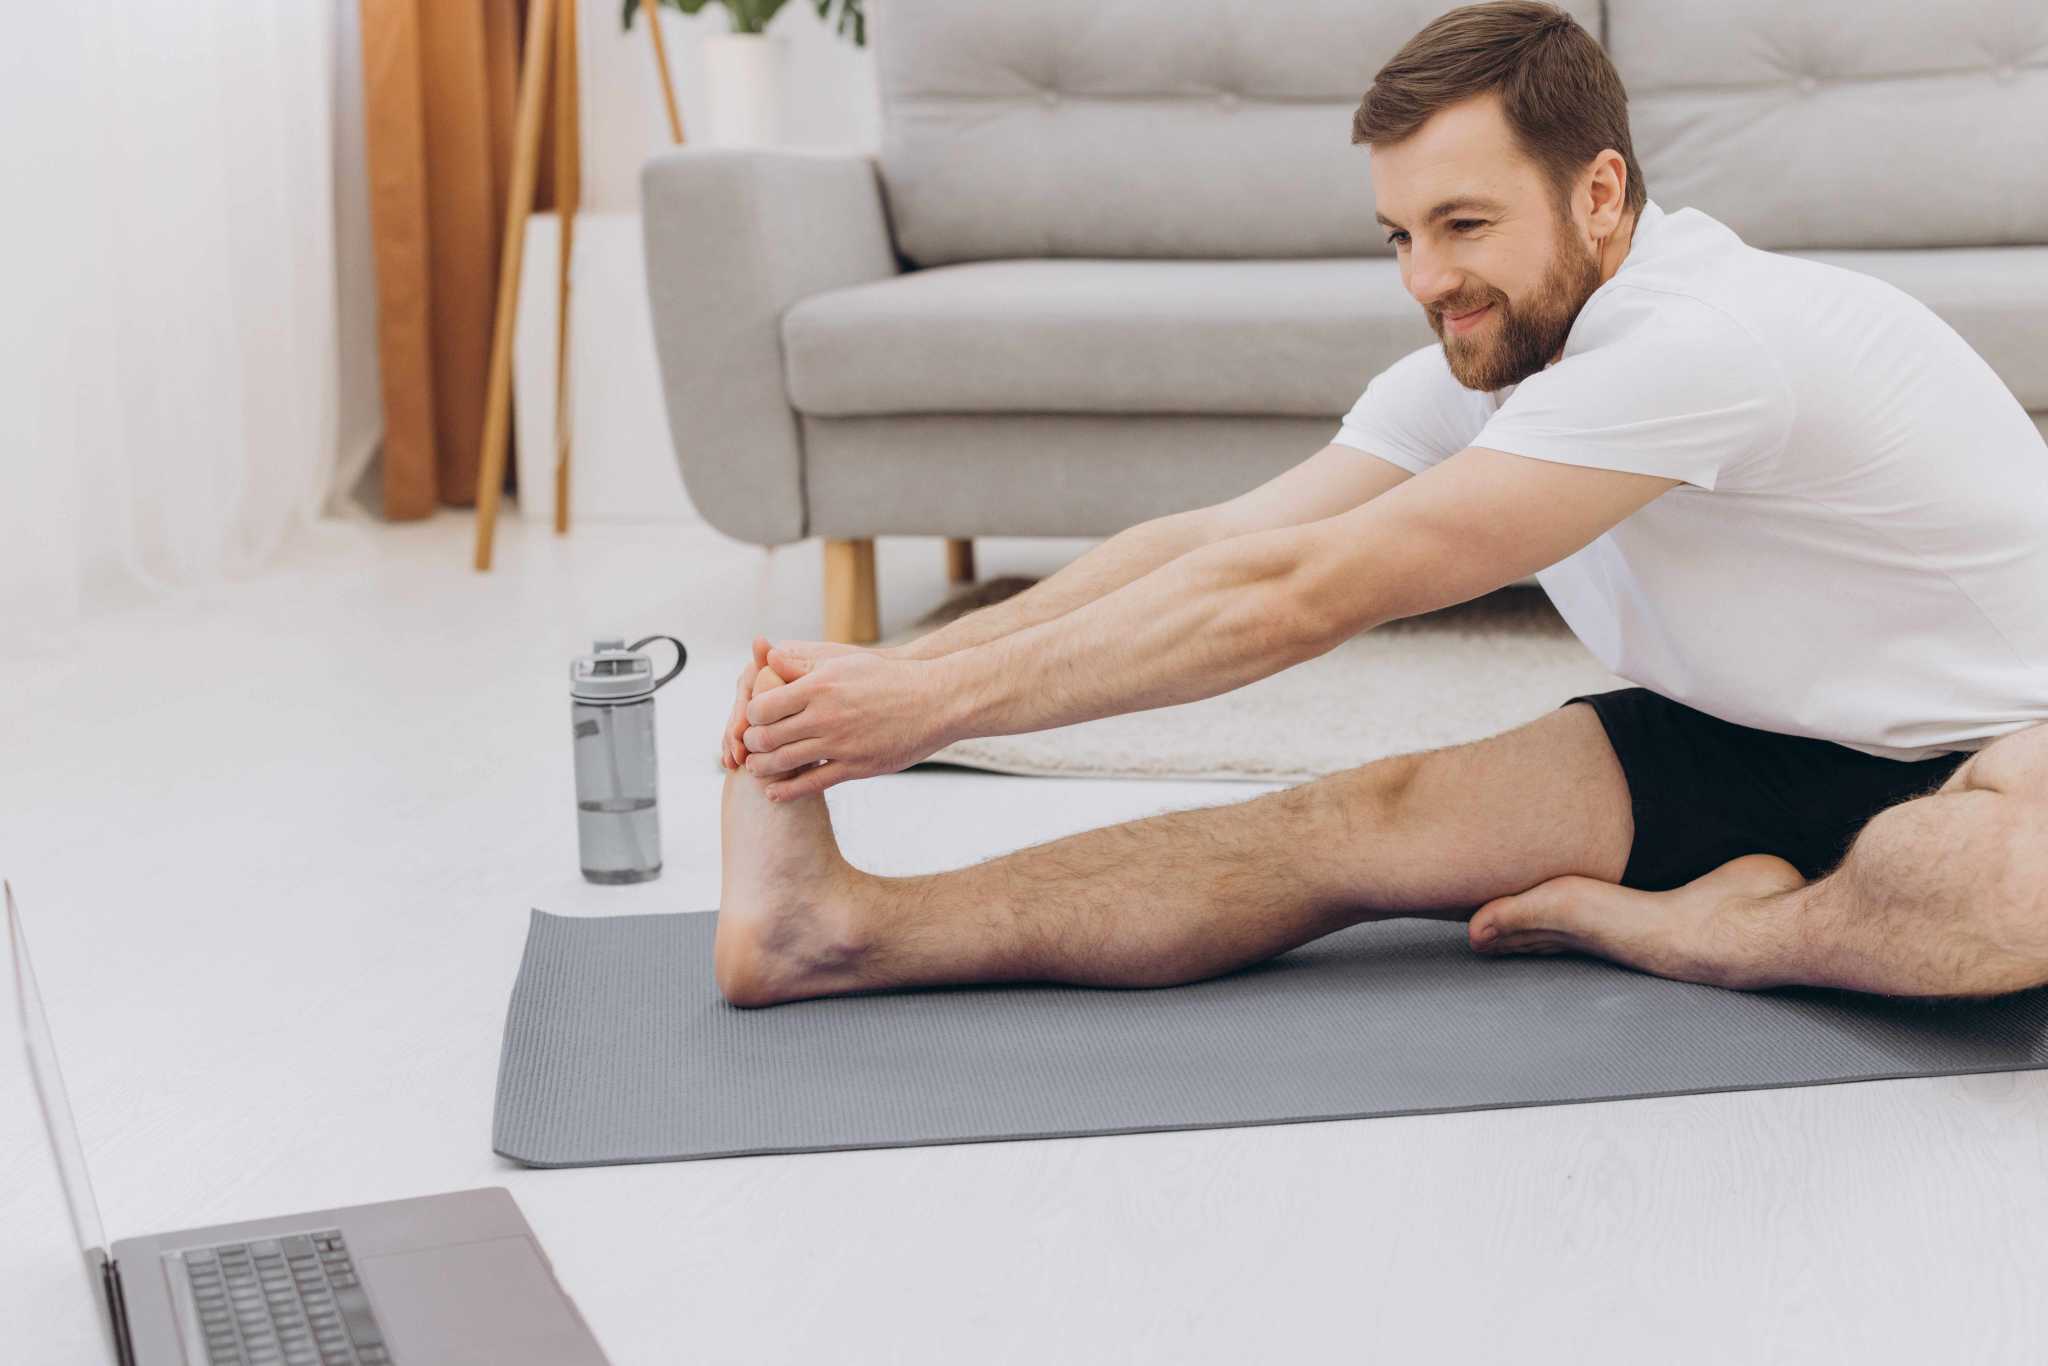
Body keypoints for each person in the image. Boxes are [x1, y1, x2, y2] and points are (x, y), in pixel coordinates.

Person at [712, 2, 2048, 1009]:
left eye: (1465, 225)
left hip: (2013, 735)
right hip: (1752, 734)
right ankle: (835, 927)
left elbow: (1302, 597)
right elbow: (1232, 544)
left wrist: (926, 717)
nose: (1427, 279)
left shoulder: (1701, 344)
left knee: (2010, 885)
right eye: (1401, 235)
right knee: (1354, 820)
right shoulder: (1498, 349)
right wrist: (887, 673)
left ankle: (1712, 932)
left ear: (1600, 192)